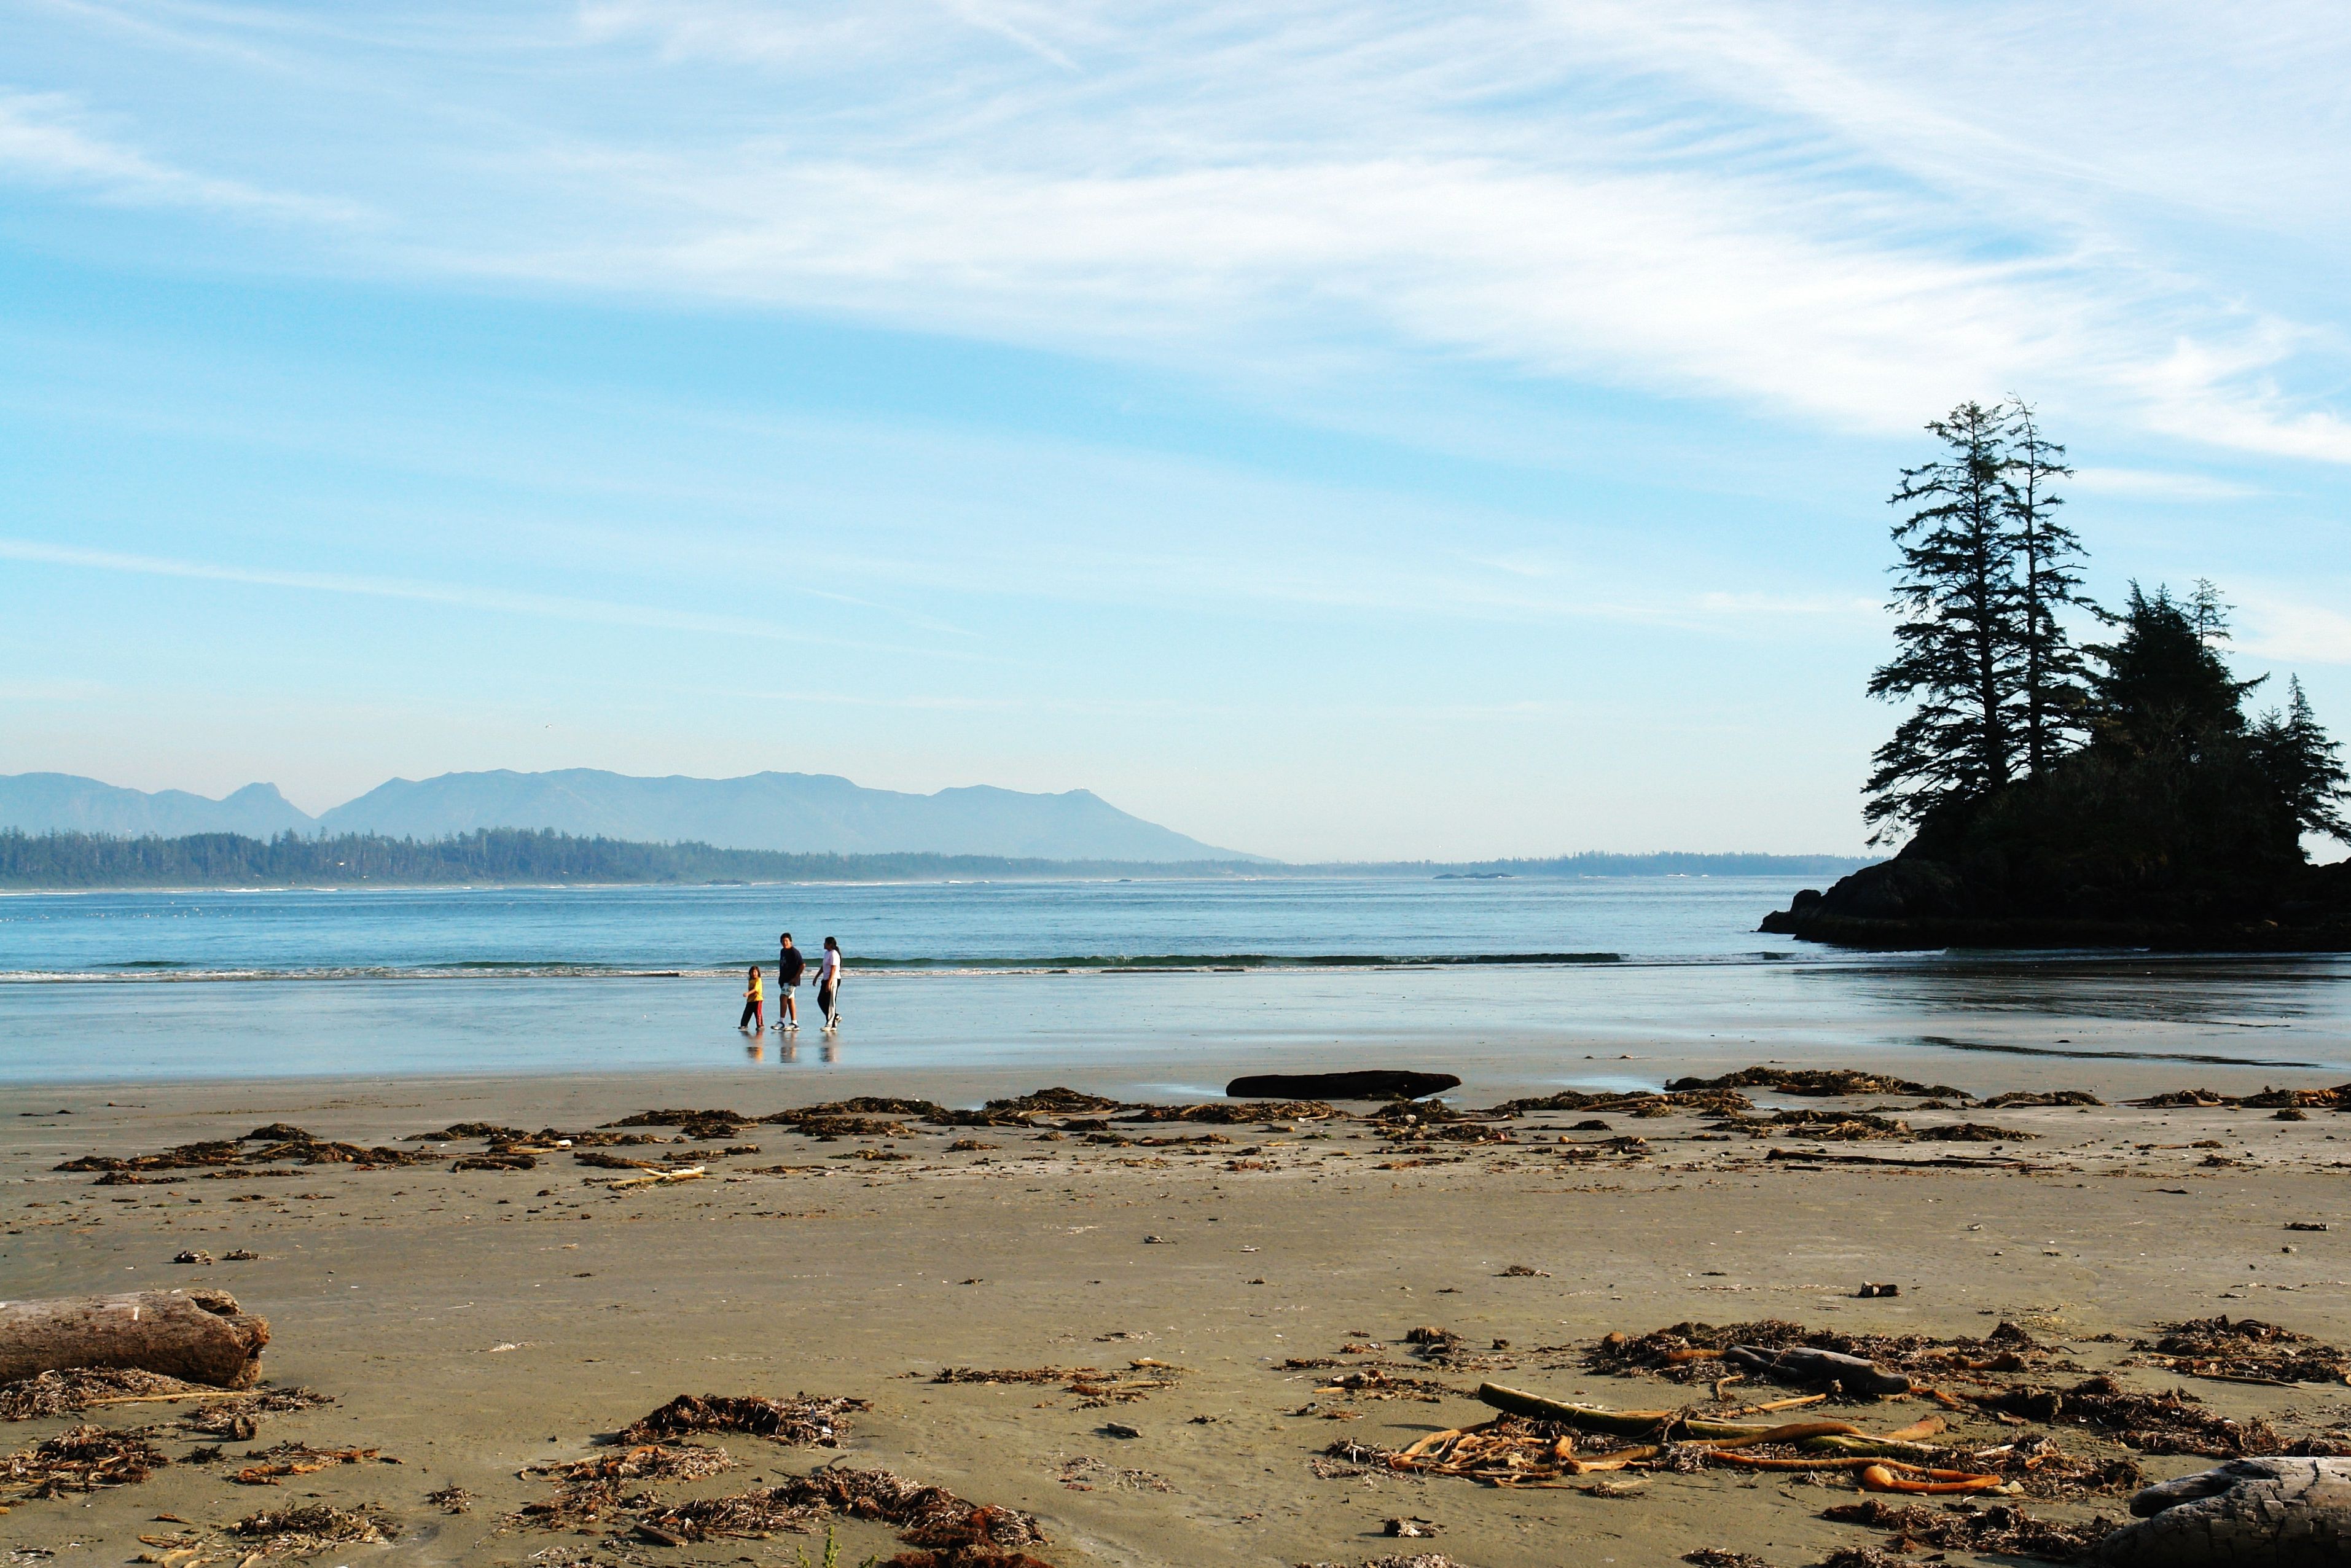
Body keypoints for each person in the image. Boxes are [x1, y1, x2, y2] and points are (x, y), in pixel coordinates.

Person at [775, 932, 805, 1032]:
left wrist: (796, 977)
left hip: (791, 980)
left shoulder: (794, 952)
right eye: (783, 941)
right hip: (784, 980)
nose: (785, 943)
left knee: (783, 997)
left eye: (786, 941)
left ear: (791, 942)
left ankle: (781, 1022)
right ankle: (794, 1023)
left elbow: (802, 965)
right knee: (790, 1000)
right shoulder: (783, 951)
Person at [816, 936, 843, 1030]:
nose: (824, 944)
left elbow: (833, 969)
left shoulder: (834, 954)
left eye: (825, 943)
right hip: (826, 979)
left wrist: (829, 983)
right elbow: (823, 967)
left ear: (830, 944)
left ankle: (831, 1024)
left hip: (833, 979)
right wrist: (816, 977)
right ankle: (835, 1017)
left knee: (831, 1002)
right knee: (821, 1000)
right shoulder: (827, 953)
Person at [737, 963, 764, 1032]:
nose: (754, 973)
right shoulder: (751, 980)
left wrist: (748, 993)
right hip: (750, 1000)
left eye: (755, 972)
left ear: (758, 973)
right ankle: (744, 1025)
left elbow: (755, 989)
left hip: (757, 999)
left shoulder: (758, 980)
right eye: (752, 972)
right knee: (747, 1013)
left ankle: (760, 1025)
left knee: (758, 1013)